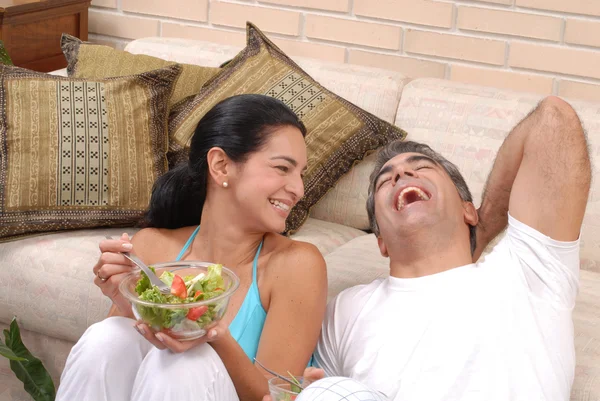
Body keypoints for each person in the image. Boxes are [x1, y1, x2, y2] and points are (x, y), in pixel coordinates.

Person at [296, 96, 591, 401]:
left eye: (421, 167)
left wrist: (483, 228)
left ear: (468, 210)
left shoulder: (526, 268)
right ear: (381, 241)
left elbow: (554, 118)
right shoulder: (347, 309)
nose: (400, 175)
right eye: (386, 180)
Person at [56, 94, 328, 401]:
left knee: (186, 362)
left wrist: (211, 333)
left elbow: (275, 396)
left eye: (300, 173)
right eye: (283, 168)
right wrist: (125, 303)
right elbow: (121, 373)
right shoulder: (152, 247)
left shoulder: (296, 264)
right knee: (107, 337)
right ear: (221, 165)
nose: (299, 189)